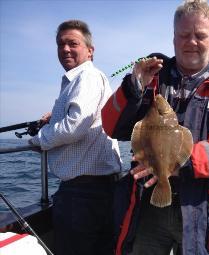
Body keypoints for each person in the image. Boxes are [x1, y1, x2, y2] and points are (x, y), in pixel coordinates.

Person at [102, 0, 209, 254]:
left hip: (207, 210)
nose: (192, 42)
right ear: (174, 37)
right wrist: (132, 89)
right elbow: (111, 126)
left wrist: (182, 161)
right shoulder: (152, 77)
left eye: (200, 35)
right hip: (148, 211)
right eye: (184, 35)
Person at [29, 20, 123, 255]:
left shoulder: (87, 77)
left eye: (73, 43)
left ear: (90, 51)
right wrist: (54, 117)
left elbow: (74, 126)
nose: (66, 49)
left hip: (84, 195)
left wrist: (39, 140)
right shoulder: (78, 81)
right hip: (93, 192)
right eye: (61, 44)